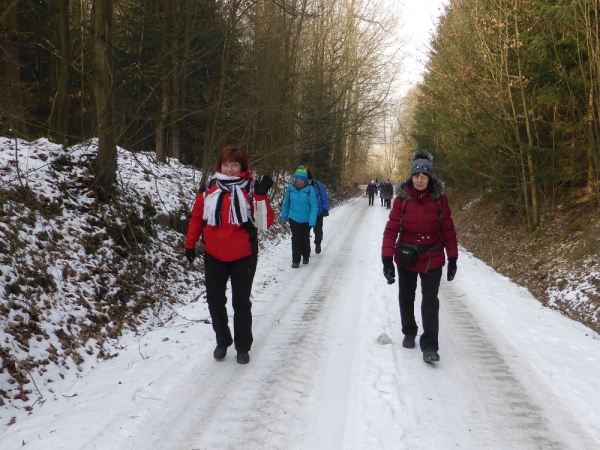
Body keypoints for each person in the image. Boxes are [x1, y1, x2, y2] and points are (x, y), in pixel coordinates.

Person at [185, 145, 275, 365]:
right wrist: (190, 243)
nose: (230, 169)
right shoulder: (209, 188)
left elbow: (265, 223)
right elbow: (197, 217)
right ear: (220, 165)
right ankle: (222, 340)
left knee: (240, 302)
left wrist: (261, 197)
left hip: (243, 254)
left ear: (242, 167)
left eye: (235, 165)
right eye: (226, 164)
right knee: (215, 301)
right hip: (214, 254)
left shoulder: (251, 189)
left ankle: (243, 347)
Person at [381, 152, 458, 363]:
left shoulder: (440, 200)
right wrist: (387, 258)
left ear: (430, 177)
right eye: (416, 175)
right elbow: (391, 230)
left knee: (430, 301)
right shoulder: (402, 200)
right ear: (411, 177)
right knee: (406, 296)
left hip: (432, 257)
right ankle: (409, 331)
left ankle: (430, 345)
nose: (420, 179)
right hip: (406, 256)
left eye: (424, 175)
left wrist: (452, 258)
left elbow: (448, 230)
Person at [281, 165, 317, 268]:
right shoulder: (290, 189)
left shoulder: (310, 190)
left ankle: (306, 255)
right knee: (296, 238)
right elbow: (286, 203)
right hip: (294, 218)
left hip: (306, 219)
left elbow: (314, 207)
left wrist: (312, 220)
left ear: (305, 181)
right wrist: (284, 215)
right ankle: (295, 260)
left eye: (301, 180)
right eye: (297, 180)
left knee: (304, 238)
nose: (299, 182)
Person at [307, 170, 330, 254]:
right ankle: (307, 249)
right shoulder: (303, 187)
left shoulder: (318, 185)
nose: (308, 182)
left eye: (309, 180)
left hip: (318, 213)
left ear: (311, 179)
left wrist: (325, 208)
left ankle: (317, 243)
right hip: (307, 214)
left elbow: (324, 197)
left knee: (318, 231)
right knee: (305, 233)